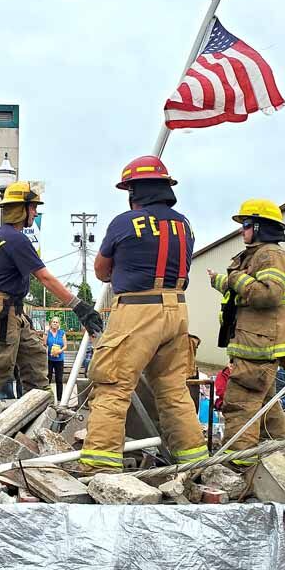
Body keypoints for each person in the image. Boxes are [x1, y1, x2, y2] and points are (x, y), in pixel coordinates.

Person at [80, 156, 206, 473]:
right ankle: (195, 463)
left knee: (113, 385)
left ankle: (100, 467)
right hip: (177, 310)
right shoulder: (184, 224)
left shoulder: (124, 222)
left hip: (137, 311)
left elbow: (100, 271)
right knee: (174, 389)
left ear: (134, 191)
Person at [0, 180, 103, 438]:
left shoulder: (2, 236)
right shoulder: (15, 239)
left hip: (10, 308)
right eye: (32, 207)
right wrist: (78, 306)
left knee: (35, 357)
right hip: (2, 308)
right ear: (20, 209)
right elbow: (44, 277)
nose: (35, 212)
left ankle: (41, 420)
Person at [207, 198, 285, 466]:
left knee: (240, 407)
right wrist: (220, 282)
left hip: (258, 346)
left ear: (259, 227)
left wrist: (233, 278)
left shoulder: (271, 255)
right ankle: (279, 462)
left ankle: (238, 469)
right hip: (255, 344)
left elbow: (267, 294)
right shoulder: (258, 255)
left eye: (245, 224)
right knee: (268, 410)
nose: (241, 230)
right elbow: (244, 294)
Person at [44, 316, 67, 401]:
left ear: (59, 324)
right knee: (48, 379)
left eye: (56, 322)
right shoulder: (47, 333)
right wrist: (46, 333)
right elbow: (44, 344)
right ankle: (48, 398)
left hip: (59, 359)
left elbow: (65, 346)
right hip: (49, 359)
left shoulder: (62, 333)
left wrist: (59, 351)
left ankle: (60, 399)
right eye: (53, 322)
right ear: (50, 323)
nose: (55, 323)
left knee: (59, 380)